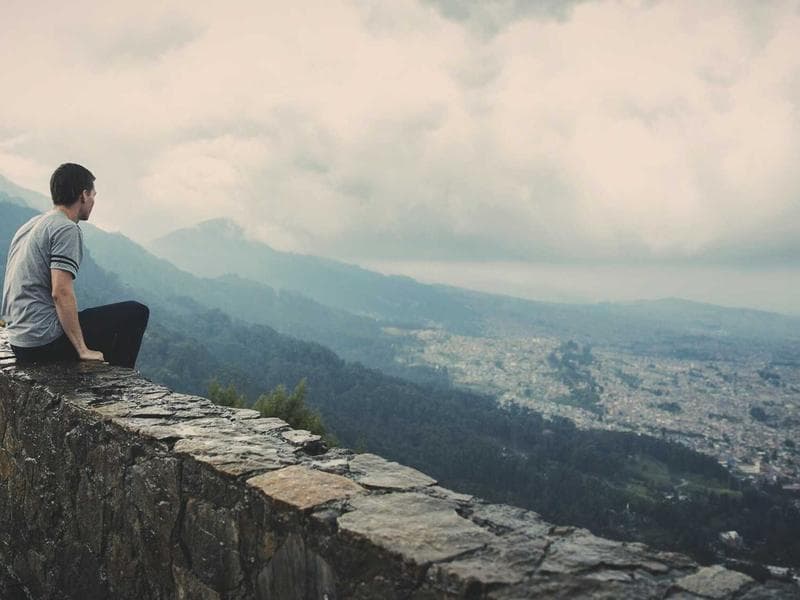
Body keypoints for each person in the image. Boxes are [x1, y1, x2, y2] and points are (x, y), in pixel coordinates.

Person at [0, 163, 149, 368]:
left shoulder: (32, 225)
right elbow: (61, 292)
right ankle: (121, 381)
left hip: (20, 340)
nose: (93, 201)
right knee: (136, 312)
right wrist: (82, 349)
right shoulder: (66, 228)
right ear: (83, 195)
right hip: (42, 342)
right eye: (93, 195)